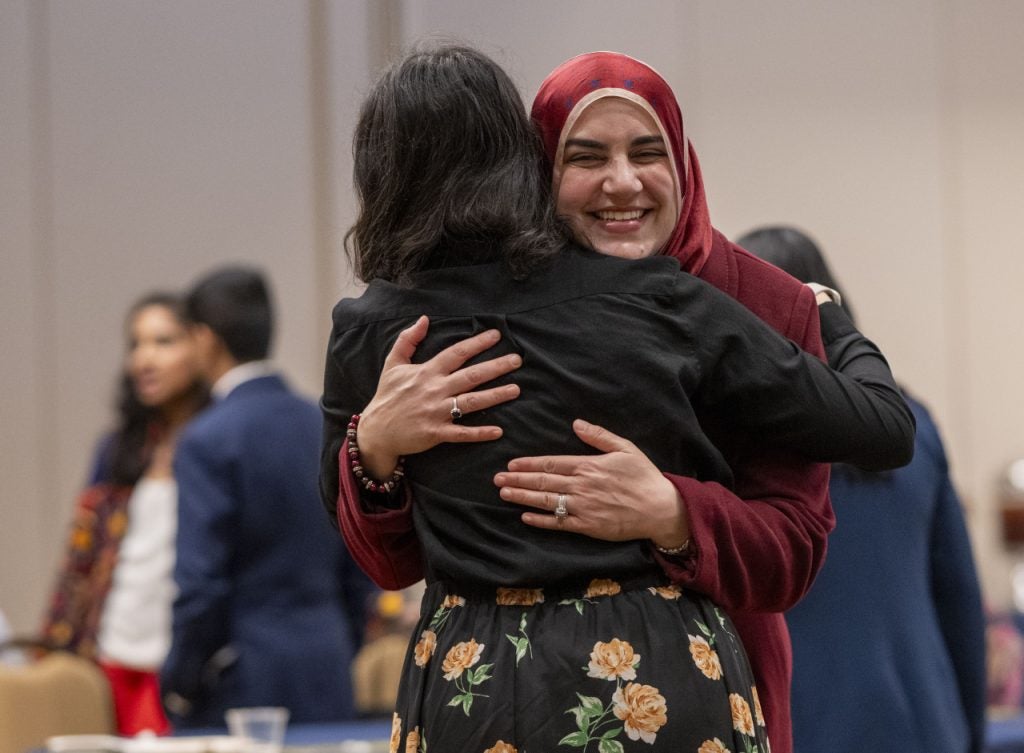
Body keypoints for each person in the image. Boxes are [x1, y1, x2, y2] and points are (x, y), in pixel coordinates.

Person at [320, 44, 914, 752]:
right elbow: (389, 556)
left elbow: (796, 542)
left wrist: (674, 512)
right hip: (656, 674)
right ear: (535, 168)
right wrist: (373, 444)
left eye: (647, 151)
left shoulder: (763, 301)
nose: (622, 183)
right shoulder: (650, 303)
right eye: (585, 157)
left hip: (496, 678)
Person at [738, 225, 987, 753]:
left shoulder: (734, 449)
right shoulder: (913, 428)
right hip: (925, 723)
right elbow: (961, 600)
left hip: (797, 725)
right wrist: (969, 729)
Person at [160, 266, 375, 728]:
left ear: (205, 339)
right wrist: (343, 640)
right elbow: (359, 558)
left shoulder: (207, 439)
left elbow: (201, 584)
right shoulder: (325, 425)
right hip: (327, 662)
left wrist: (181, 676)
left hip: (241, 676)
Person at [40, 292, 208, 735]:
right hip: (112, 655)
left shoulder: (220, 445)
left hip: (180, 664)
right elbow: (81, 558)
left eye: (163, 341)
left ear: (202, 345)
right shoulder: (118, 448)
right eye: (136, 344)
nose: (144, 359)